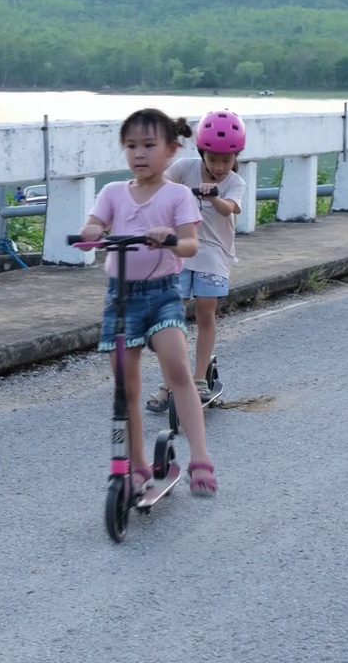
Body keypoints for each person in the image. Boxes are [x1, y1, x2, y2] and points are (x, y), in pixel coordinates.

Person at [78, 108, 218, 497]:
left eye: (148, 145)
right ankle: (136, 465)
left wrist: (169, 238)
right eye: (131, 146)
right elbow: (94, 226)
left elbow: (190, 243)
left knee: (177, 370)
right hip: (119, 299)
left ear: (171, 150)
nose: (139, 154)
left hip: (161, 295)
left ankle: (201, 459)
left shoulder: (176, 196)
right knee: (127, 387)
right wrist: (91, 231)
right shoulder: (111, 194)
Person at [146, 109, 247, 411]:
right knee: (172, 318)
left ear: (236, 157)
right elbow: (159, 185)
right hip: (180, 251)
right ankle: (169, 382)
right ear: (201, 153)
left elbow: (229, 208)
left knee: (205, 312)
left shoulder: (234, 182)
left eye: (226, 160)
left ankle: (199, 378)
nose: (218, 166)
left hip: (213, 255)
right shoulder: (184, 169)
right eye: (212, 159)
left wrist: (213, 196)